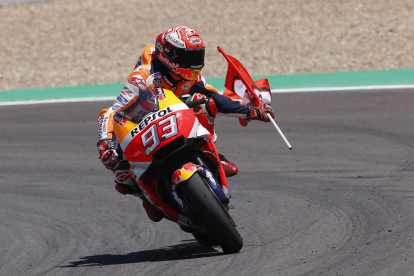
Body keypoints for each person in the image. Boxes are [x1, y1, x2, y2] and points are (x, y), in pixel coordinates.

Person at [97, 26, 274, 222]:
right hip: (142, 124)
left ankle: (209, 153)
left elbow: (217, 97)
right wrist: (105, 144)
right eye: (189, 57)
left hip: (177, 119)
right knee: (122, 178)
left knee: (204, 102)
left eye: (198, 56)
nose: (195, 63)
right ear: (168, 55)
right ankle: (144, 194)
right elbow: (113, 112)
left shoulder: (192, 77)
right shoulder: (142, 77)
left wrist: (252, 111)